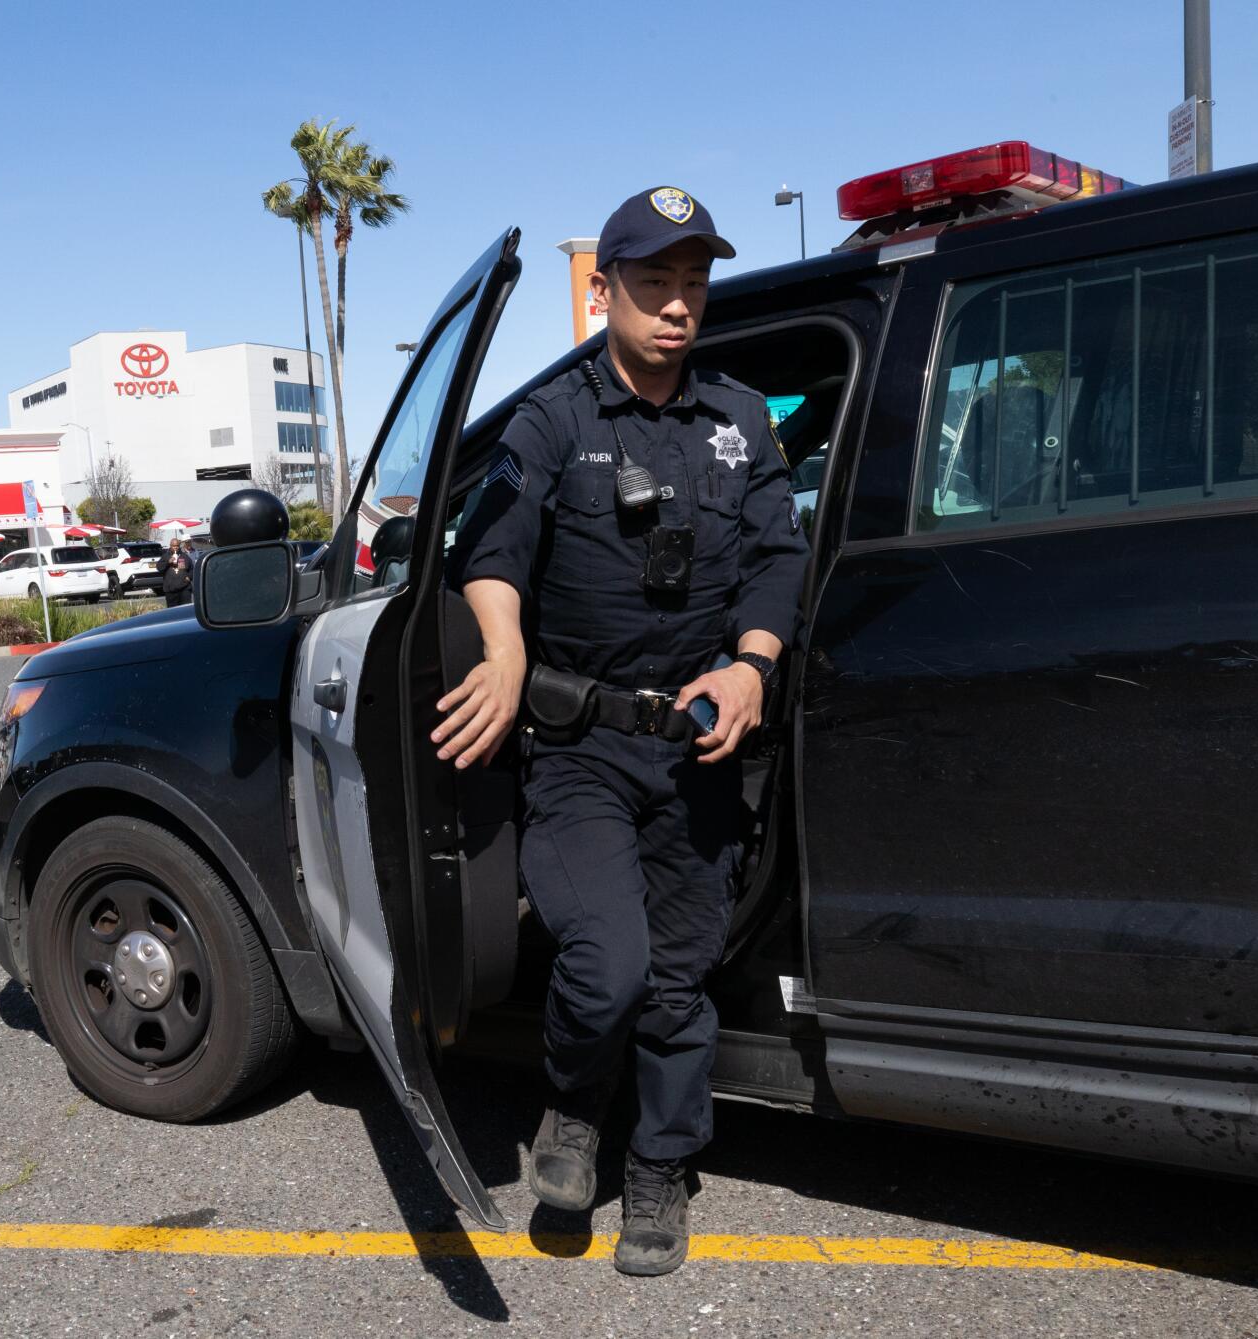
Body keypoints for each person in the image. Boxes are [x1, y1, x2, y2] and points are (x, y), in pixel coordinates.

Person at [437, 187, 808, 1277]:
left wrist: (750, 666)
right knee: (604, 963)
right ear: (604, 293)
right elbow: (489, 555)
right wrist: (500, 653)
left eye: (693, 284)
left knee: (675, 982)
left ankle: (657, 1168)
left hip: (698, 748)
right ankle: (570, 1110)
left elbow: (776, 561)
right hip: (582, 747)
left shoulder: (740, 421)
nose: (679, 305)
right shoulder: (552, 419)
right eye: (655, 284)